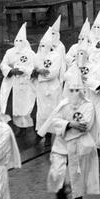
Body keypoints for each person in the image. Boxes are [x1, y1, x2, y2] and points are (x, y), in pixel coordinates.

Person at [38, 72, 100, 199]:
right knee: (56, 173)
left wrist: (69, 126)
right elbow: (55, 121)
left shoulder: (88, 105)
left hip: (79, 145)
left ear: (82, 90)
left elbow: (85, 124)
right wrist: (70, 124)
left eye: (77, 90)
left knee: (76, 177)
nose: (74, 93)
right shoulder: (63, 104)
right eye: (71, 90)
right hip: (61, 144)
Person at [34, 17, 66, 145]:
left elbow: (52, 73)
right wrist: (38, 71)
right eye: (40, 45)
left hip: (52, 87)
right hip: (41, 88)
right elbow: (34, 67)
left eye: (44, 46)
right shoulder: (38, 55)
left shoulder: (56, 55)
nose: (42, 47)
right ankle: (41, 133)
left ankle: (51, 136)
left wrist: (40, 71)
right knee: (41, 113)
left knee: (53, 111)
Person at [0, 22, 37, 133]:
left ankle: (23, 128)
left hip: (24, 83)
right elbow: (3, 64)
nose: (18, 43)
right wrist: (10, 70)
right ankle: (10, 127)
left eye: (21, 41)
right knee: (10, 105)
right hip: (11, 82)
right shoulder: (9, 52)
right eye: (17, 40)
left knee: (23, 106)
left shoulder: (30, 53)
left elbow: (34, 67)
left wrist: (24, 71)